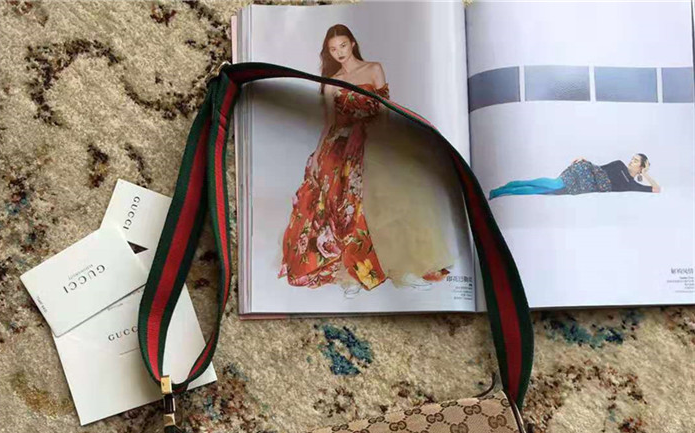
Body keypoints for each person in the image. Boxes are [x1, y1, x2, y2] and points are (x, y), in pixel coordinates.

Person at [278, 25, 453, 294]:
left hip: (374, 137)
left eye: (343, 46)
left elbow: (385, 110)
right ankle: (353, 272)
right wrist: (317, 155)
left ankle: (401, 266)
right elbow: (329, 122)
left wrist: (386, 142)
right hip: (341, 142)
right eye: (333, 49)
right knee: (342, 203)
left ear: (353, 43)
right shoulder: (331, 81)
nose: (339, 53)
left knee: (392, 197)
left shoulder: (373, 69)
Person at [489, 153, 661, 199]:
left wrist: (646, 173)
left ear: (641, 166)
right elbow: (599, 168)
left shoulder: (632, 185)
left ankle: (505, 191)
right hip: (584, 172)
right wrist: (584, 161)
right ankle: (504, 189)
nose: (631, 161)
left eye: (636, 160)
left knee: (545, 191)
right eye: (632, 158)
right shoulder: (619, 164)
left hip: (585, 187)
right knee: (554, 184)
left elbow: (656, 189)